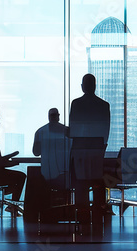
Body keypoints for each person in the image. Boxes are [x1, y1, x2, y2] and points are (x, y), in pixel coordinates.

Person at [68, 74, 111, 222]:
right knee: (97, 179)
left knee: (81, 181)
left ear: (82, 86)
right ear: (95, 85)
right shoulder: (104, 105)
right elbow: (106, 129)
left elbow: (73, 128)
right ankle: (99, 209)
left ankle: (82, 209)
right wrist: (103, 146)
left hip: (80, 147)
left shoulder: (76, 104)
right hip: (97, 148)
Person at [33, 107, 70, 189]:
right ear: (58, 116)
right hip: (65, 172)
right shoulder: (67, 131)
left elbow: (36, 152)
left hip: (47, 173)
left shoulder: (40, 132)